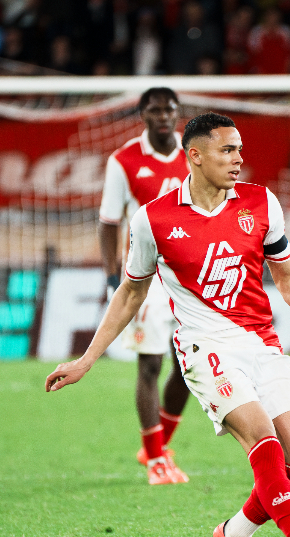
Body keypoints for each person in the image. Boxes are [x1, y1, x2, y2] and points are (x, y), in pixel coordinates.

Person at [47, 112, 290, 537]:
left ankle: (233, 535)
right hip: (205, 350)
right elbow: (130, 293)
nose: (239, 159)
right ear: (195, 155)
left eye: (240, 149)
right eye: (227, 150)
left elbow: (287, 279)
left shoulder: (262, 203)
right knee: (264, 444)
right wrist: (87, 359)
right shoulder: (153, 219)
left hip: (263, 345)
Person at [98, 87, 192, 486]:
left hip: (190, 272)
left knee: (190, 366)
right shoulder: (123, 160)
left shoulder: (195, 153)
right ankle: (156, 461)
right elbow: (108, 221)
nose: (164, 116)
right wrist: (111, 276)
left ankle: (156, 446)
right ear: (142, 115)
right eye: (155, 110)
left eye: (169, 109)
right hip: (146, 274)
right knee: (151, 362)